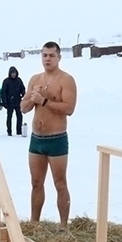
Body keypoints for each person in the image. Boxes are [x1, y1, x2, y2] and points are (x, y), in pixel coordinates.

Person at [21, 41, 78, 231]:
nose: (47, 59)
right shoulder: (35, 79)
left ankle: (63, 226)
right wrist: (32, 97)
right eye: (44, 55)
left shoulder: (66, 80)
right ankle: (34, 223)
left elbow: (69, 109)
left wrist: (44, 101)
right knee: (36, 183)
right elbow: (23, 108)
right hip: (37, 139)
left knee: (60, 183)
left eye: (51, 55)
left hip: (57, 139)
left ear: (59, 57)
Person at [1, 66, 26, 136]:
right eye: (12, 73)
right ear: (9, 73)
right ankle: (9, 131)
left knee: (19, 117)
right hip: (9, 103)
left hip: (18, 102)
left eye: (14, 73)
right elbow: (3, 92)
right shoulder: (6, 81)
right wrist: (4, 102)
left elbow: (23, 88)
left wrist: (23, 94)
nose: (13, 74)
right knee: (9, 117)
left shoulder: (19, 80)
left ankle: (19, 131)